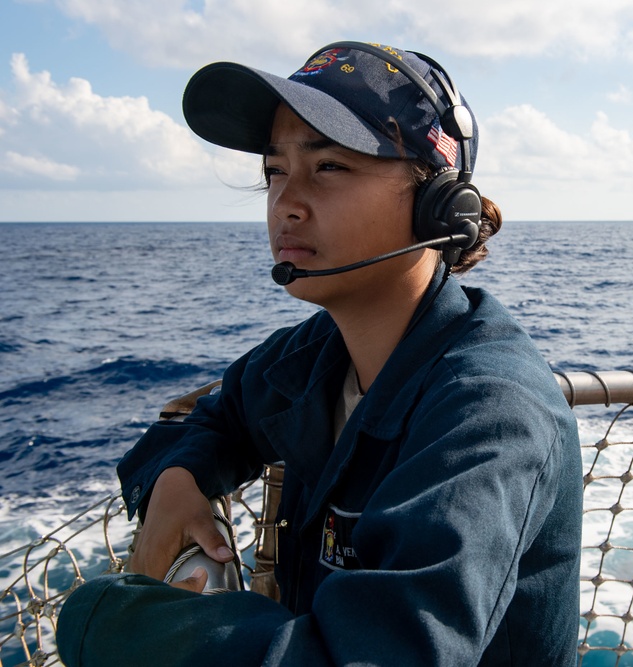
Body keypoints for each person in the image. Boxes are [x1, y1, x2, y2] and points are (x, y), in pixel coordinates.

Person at [56, 41, 583, 666]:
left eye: (329, 166)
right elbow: (214, 420)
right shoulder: (312, 357)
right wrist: (175, 479)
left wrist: (109, 626)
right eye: (275, 171)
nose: (287, 202)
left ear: (436, 203)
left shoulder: (488, 413)